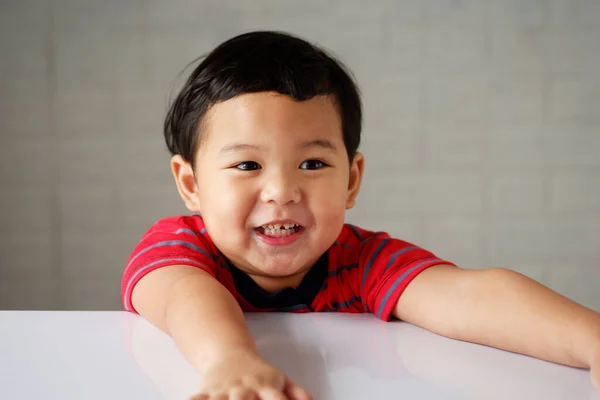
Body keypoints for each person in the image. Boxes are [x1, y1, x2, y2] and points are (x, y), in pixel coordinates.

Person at [121, 30, 600, 399]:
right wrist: (231, 360)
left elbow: (468, 297)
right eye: (247, 165)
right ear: (191, 184)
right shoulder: (179, 248)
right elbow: (186, 296)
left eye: (312, 163)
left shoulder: (362, 261)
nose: (282, 191)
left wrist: (590, 338)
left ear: (351, 179)